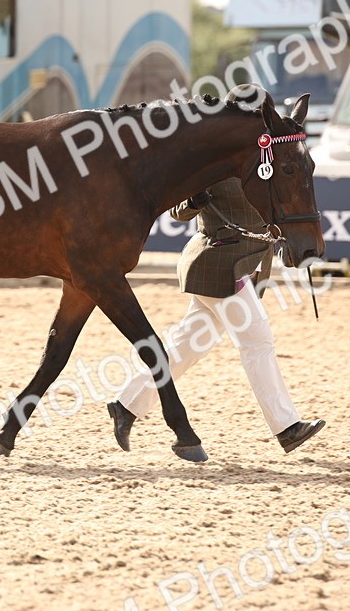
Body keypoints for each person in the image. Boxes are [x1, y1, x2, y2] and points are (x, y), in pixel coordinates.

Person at [107, 178, 325, 454]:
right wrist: (193, 202)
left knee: (188, 345)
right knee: (257, 341)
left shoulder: (261, 159)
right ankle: (287, 427)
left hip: (248, 261)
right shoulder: (214, 157)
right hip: (219, 263)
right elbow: (177, 210)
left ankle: (127, 404)